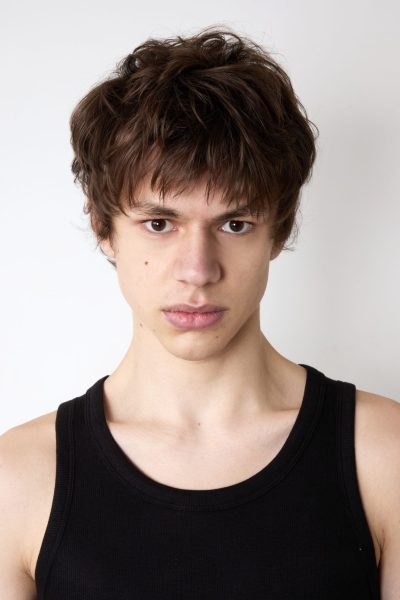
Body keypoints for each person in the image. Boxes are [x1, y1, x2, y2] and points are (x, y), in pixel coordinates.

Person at [0, 25, 399, 600]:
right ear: (103, 227)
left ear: (279, 229)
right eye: (159, 223)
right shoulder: (20, 478)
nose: (198, 269)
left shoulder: (383, 454)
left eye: (235, 224)